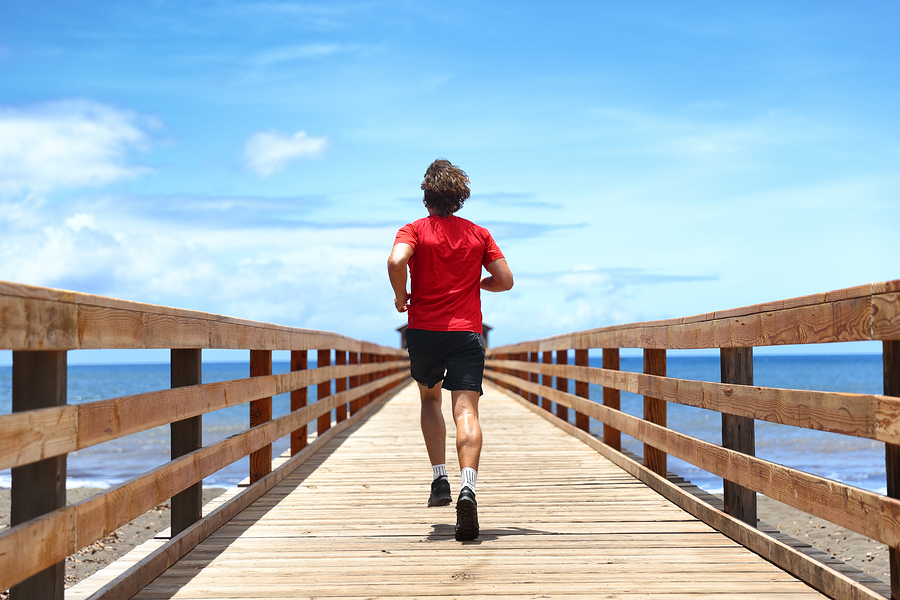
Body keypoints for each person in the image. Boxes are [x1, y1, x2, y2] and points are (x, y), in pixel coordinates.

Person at [387, 158, 514, 541]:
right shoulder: (478, 234)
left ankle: (439, 479)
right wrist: (476, 284)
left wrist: (401, 296)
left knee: (430, 400)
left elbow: (396, 260)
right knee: (466, 410)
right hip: (466, 333)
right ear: (460, 198)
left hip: (424, 331)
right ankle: (468, 489)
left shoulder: (414, 229)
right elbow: (505, 280)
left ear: (426, 196)